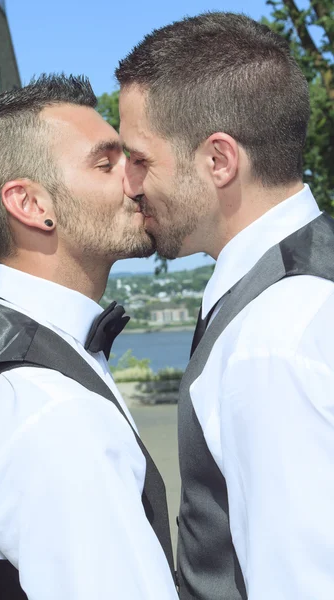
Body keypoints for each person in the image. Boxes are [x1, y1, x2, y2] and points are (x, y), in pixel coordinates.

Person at [0, 74, 178, 600]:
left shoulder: (3, 357)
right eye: (105, 162)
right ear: (29, 204)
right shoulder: (50, 410)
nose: (136, 180)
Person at [116, 12, 334, 600]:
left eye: (140, 158)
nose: (129, 184)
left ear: (219, 160)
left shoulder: (269, 343)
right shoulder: (308, 283)